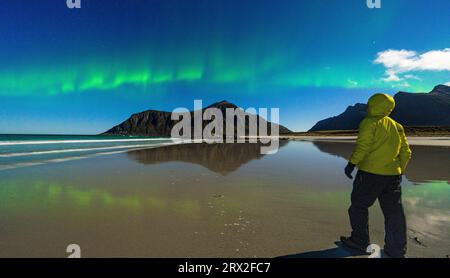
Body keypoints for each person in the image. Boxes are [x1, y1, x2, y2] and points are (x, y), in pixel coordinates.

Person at [341, 93, 412, 258]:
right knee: (394, 213)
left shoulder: (369, 122)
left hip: (370, 174)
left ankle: (359, 241)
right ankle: (396, 251)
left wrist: (351, 164)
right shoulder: (397, 126)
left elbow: (363, 146)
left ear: (373, 104)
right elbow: (406, 152)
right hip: (393, 176)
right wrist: (399, 169)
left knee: (359, 206)